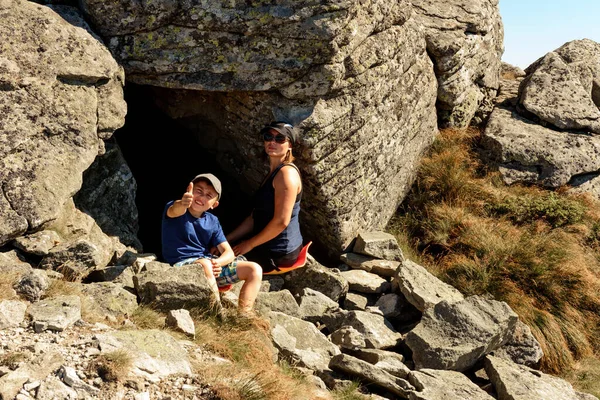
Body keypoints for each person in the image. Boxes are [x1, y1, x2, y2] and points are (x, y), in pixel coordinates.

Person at [161, 173, 262, 313]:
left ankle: (244, 316)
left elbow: (228, 252)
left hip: (209, 266)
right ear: (189, 190)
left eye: (208, 195)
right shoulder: (176, 209)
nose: (201, 197)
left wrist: (218, 263)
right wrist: (183, 203)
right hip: (181, 265)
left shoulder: (212, 221)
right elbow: (174, 210)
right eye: (199, 191)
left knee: (254, 269)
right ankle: (216, 311)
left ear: (214, 204)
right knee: (205, 263)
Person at [225, 121, 303, 273]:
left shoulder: (286, 175)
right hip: (268, 245)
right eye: (268, 137)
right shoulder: (274, 173)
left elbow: (281, 221)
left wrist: (249, 244)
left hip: (280, 254)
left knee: (219, 264)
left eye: (280, 139)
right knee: (222, 245)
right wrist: (227, 240)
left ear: (290, 145)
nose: (272, 142)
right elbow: (255, 217)